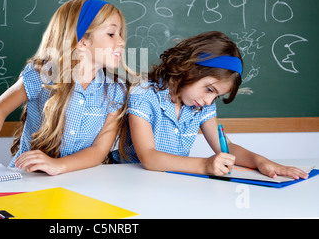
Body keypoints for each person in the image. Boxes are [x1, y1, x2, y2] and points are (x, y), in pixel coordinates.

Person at [0, 0, 135, 175]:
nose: (121, 41)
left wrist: (57, 165)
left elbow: (98, 150)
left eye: (120, 34)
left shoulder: (115, 90)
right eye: (111, 34)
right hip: (29, 179)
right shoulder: (42, 75)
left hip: (80, 182)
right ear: (82, 41)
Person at [112, 31, 309, 180]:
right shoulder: (144, 92)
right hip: (127, 179)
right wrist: (206, 165)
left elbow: (227, 147)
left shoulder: (200, 104)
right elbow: (150, 157)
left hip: (169, 181)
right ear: (190, 70)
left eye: (216, 97)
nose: (208, 101)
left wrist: (262, 162)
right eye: (209, 89)